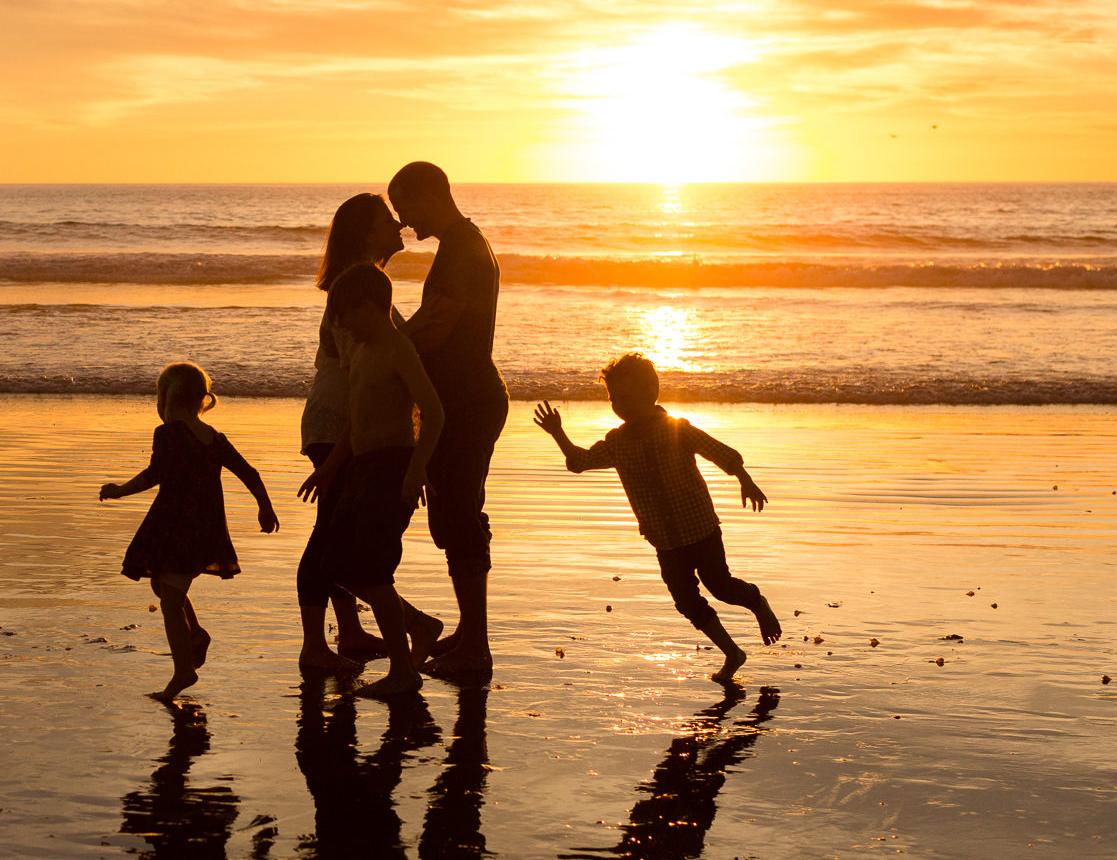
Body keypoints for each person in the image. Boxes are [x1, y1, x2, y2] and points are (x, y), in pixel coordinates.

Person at [533, 354, 783, 684]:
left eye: (626, 397)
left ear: (651, 392)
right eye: (613, 399)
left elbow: (720, 452)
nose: (619, 405)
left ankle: (757, 602)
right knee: (686, 601)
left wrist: (745, 479)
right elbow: (580, 462)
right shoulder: (617, 443)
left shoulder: (677, 429)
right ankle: (732, 653)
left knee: (720, 586)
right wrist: (557, 433)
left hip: (702, 529)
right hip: (664, 540)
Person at [296, 193, 442, 671]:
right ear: (365, 233)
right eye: (387, 220)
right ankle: (318, 646)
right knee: (330, 541)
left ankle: (354, 632)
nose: (399, 223)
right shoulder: (355, 291)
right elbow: (363, 357)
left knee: (340, 535)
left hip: (347, 426)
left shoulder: (367, 285)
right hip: (341, 424)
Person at [388, 162, 506, 677]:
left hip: (467, 400)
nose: (403, 222)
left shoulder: (461, 249)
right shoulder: (463, 243)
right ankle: (470, 632)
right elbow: (432, 325)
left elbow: (436, 330)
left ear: (427, 196)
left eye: (404, 207)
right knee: (455, 519)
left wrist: (384, 350)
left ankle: (476, 648)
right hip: (463, 397)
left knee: (459, 520)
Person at [101, 362, 279, 701]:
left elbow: (156, 473)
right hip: (204, 526)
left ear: (168, 397)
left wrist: (120, 490)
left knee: (169, 599)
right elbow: (249, 472)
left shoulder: (167, 433)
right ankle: (195, 634)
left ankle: (184, 670)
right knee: (162, 583)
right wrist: (264, 506)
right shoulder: (214, 437)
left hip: (178, 525)